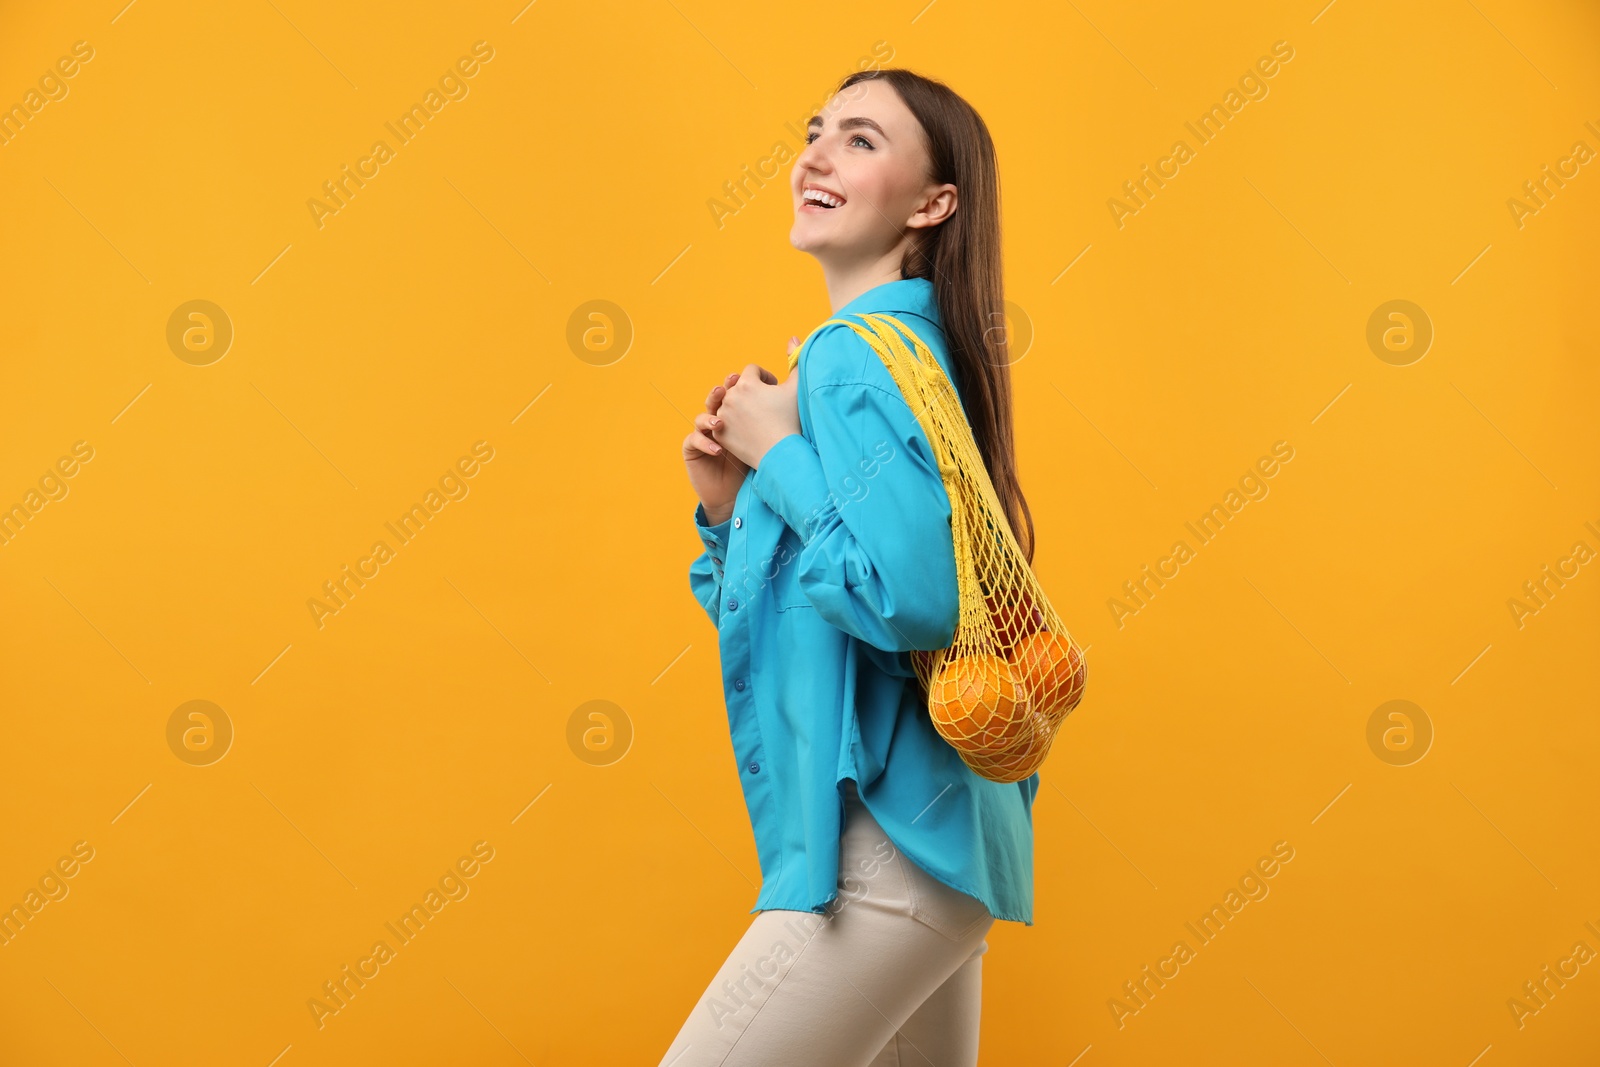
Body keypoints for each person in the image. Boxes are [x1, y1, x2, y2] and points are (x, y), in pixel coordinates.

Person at [668, 67, 1039, 1067]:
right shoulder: (915, 352)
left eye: (862, 139)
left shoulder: (851, 357)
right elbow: (815, 619)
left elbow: (909, 601)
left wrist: (777, 451)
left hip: (888, 849)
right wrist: (731, 503)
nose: (817, 153)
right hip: (948, 841)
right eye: (815, 130)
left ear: (932, 203)